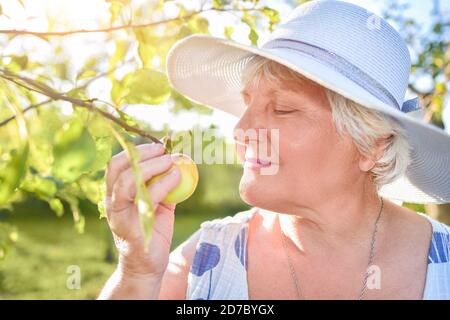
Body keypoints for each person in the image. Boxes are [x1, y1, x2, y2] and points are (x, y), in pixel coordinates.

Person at [98, 0, 450, 299]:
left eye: (283, 108)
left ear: (373, 144)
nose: (241, 129)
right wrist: (138, 272)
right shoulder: (207, 260)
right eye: (247, 103)